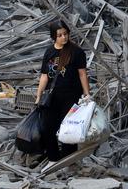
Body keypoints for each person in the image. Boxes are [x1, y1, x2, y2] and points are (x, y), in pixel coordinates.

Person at [34, 21, 91, 161]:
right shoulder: (49, 52)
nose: (63, 37)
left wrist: (87, 94)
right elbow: (44, 76)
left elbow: (82, 74)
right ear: (54, 36)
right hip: (52, 95)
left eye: (65, 34)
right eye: (59, 35)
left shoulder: (77, 52)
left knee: (69, 128)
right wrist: (38, 95)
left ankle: (68, 160)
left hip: (71, 95)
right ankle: (53, 158)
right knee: (48, 128)